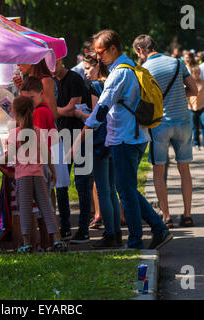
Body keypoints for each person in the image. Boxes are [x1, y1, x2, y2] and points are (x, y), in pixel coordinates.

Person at [79, 29, 173, 249]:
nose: (97, 56)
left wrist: (84, 132)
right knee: (127, 188)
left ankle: (136, 240)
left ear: (113, 49)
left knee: (126, 191)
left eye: (100, 52)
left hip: (125, 139)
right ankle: (158, 229)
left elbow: (102, 107)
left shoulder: (120, 73)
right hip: (133, 136)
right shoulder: (129, 66)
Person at [0, 95, 66, 253]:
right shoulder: (38, 132)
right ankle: (58, 241)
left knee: (24, 210)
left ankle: (26, 244)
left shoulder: (14, 134)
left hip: (22, 177)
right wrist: (53, 172)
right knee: (47, 208)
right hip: (39, 175)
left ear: (15, 113)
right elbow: (46, 154)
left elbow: (9, 155)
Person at [133, 34, 198, 228]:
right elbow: (194, 90)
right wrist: (178, 96)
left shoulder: (143, 69)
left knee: (158, 170)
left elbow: (142, 99)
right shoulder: (178, 63)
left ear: (140, 50)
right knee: (184, 169)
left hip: (159, 125)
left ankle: (166, 216)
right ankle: (187, 214)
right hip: (183, 122)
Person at [73, 54, 123, 247]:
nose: (86, 73)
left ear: (97, 67)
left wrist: (79, 113)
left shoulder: (96, 87)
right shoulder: (112, 83)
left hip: (99, 143)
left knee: (103, 190)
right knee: (111, 189)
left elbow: (95, 117)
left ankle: (110, 234)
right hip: (113, 139)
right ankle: (116, 232)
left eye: (88, 68)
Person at [53, 58, 93, 244]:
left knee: (82, 184)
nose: (52, 70)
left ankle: (84, 229)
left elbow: (71, 109)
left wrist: (55, 110)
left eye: (54, 64)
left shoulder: (75, 79)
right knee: (61, 184)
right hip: (61, 137)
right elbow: (64, 110)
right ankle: (65, 227)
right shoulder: (52, 81)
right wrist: (61, 110)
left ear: (60, 61)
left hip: (81, 136)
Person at [19, 76, 60, 250]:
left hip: (38, 165)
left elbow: (41, 144)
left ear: (41, 94)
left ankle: (45, 243)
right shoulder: (40, 111)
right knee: (44, 205)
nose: (28, 103)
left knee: (42, 207)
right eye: (24, 99)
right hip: (41, 163)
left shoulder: (40, 112)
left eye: (31, 99)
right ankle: (48, 242)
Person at [188, 65, 204, 151]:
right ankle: (196, 143)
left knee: (203, 125)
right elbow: (186, 96)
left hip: (202, 107)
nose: (197, 75)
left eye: (198, 73)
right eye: (195, 73)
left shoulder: (203, 83)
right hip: (192, 108)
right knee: (194, 127)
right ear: (191, 74)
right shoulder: (188, 84)